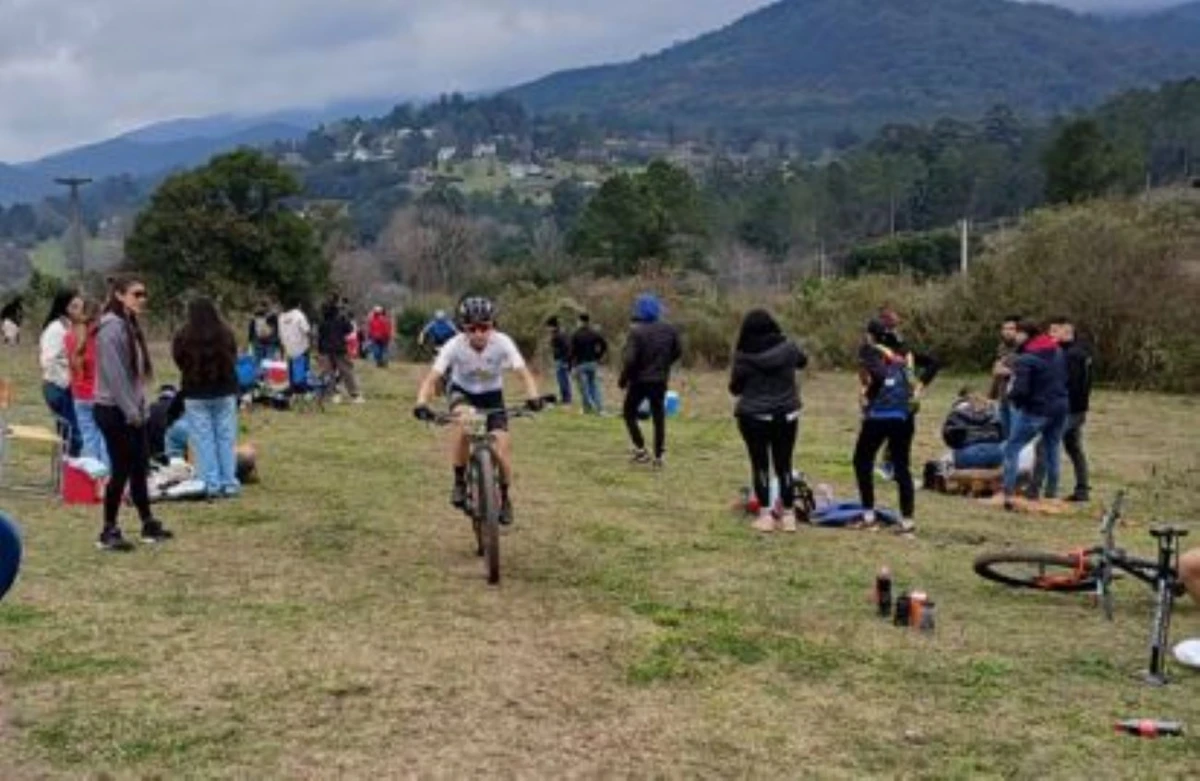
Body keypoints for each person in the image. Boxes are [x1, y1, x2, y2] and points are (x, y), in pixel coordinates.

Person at [413, 296, 543, 524]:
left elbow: (524, 373)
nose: (479, 333)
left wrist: (533, 396)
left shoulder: (502, 342)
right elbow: (431, 378)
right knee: (465, 422)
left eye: (485, 327)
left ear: (493, 325)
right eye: (472, 328)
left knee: (502, 449)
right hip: (463, 393)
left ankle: (504, 496)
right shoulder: (453, 345)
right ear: (463, 329)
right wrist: (421, 402)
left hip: (493, 396)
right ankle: (459, 481)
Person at [94, 275, 173, 550]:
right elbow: (115, 377)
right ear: (119, 295)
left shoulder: (129, 325)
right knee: (121, 469)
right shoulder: (110, 329)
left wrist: (141, 407)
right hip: (113, 410)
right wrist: (131, 411)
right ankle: (108, 530)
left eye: (144, 294)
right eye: (136, 294)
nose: (142, 299)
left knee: (140, 467)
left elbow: (134, 377)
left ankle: (147, 523)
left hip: (132, 410)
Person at [729, 310, 809, 534]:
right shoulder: (789, 348)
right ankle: (789, 517)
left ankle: (765, 516)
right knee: (784, 464)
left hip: (754, 416)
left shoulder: (744, 356)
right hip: (787, 414)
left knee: (760, 465)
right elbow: (803, 361)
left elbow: (735, 388)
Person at [854, 319, 920, 533]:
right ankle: (907, 521)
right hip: (903, 416)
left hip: (879, 415)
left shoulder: (869, 350)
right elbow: (921, 372)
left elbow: (877, 377)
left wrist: (869, 396)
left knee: (862, 460)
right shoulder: (903, 352)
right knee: (901, 466)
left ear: (870, 334)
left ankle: (868, 515)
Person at [173, 297, 241, 498]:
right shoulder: (226, 333)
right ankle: (229, 482)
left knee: (203, 440)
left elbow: (179, 360)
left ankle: (210, 483)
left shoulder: (183, 335)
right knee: (226, 438)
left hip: (195, 392)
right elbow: (233, 356)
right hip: (224, 390)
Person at [1001, 320, 1070, 511]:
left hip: (1036, 410)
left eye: (1017, 332)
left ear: (1025, 335)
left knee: (1012, 447)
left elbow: (1020, 390)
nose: (1014, 336)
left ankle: (1008, 494)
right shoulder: (1058, 351)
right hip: (1060, 407)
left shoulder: (1026, 359)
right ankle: (1051, 494)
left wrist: (1013, 399)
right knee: (1052, 449)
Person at [620, 294, 682, 467]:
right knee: (658, 416)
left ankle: (641, 449)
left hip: (639, 380)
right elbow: (678, 351)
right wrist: (664, 364)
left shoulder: (636, 332)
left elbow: (630, 360)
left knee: (628, 412)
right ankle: (659, 456)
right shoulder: (670, 330)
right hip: (659, 379)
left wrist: (623, 379)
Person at [1048, 316, 1092, 502]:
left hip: (1070, 409)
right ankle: (1082, 489)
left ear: (1067, 331)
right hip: (1078, 409)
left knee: (1048, 445)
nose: (1051, 335)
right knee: (1074, 448)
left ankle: (1050, 491)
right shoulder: (1078, 351)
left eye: (1054, 331)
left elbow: (1072, 384)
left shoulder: (1072, 355)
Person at [39, 288, 84, 457]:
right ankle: (68, 470)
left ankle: (65, 469)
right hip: (58, 387)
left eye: (81, 307)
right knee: (74, 437)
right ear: (65, 307)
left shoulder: (69, 327)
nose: (79, 311)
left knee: (68, 436)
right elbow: (48, 360)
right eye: (75, 306)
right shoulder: (56, 329)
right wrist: (66, 379)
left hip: (65, 387)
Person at [64, 300, 108, 468]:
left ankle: (91, 476)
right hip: (101, 395)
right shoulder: (102, 339)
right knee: (105, 438)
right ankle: (106, 476)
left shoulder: (68, 337)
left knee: (89, 437)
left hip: (79, 395)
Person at [941, 388, 1004, 470]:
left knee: (947, 459)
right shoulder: (993, 408)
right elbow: (1004, 432)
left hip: (967, 455)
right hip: (996, 453)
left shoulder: (957, 411)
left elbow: (949, 437)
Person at [317, 295, 363, 403]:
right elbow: (349, 329)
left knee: (328, 373)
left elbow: (320, 336)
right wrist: (344, 317)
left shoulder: (323, 322)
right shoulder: (340, 320)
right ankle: (354, 395)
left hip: (325, 349)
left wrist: (320, 350)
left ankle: (331, 394)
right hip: (339, 349)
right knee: (347, 371)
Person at [990, 315, 1022, 439]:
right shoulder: (1001, 347)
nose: (1007, 332)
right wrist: (991, 396)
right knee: (1003, 435)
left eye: (1011, 328)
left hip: (1017, 400)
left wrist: (1009, 372)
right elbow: (997, 373)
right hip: (1002, 397)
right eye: (1005, 328)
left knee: (1016, 437)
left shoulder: (1025, 348)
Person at [571, 313, 609, 414]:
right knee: (594, 386)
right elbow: (604, 345)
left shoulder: (576, 334)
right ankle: (600, 408)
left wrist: (572, 365)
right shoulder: (594, 333)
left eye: (578, 321)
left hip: (581, 364)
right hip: (592, 363)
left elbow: (572, 351)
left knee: (583, 388)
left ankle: (587, 407)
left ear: (580, 321)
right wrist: (598, 356)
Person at [277, 299, 313, 386]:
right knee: (304, 367)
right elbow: (307, 330)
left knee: (291, 368)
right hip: (301, 347)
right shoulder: (299, 315)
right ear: (298, 305)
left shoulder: (281, 317)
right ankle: (303, 386)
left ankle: (292, 385)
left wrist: (282, 349)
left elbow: (280, 334)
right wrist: (312, 342)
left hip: (289, 347)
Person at [546, 316, 573, 405]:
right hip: (560, 360)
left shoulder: (559, 335)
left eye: (548, 327)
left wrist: (566, 360)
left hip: (562, 361)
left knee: (563, 381)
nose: (547, 329)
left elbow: (567, 348)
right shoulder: (558, 334)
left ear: (552, 326)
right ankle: (565, 398)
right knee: (562, 380)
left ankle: (567, 399)